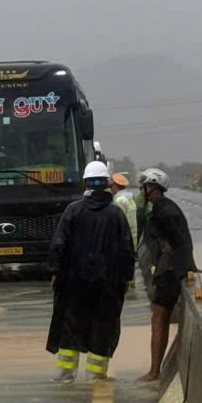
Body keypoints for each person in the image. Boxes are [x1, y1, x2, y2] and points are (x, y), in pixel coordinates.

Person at [47, 161, 135, 381]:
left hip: (74, 284)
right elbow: (127, 251)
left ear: (85, 183)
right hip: (107, 286)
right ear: (106, 183)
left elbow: (58, 245)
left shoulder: (73, 211)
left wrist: (55, 272)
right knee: (103, 327)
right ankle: (95, 378)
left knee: (70, 327)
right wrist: (126, 281)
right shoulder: (116, 215)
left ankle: (65, 376)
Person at [137, 168, 197, 384]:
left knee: (159, 319)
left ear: (152, 187)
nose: (140, 190)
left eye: (143, 186)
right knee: (158, 318)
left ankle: (154, 372)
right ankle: (155, 370)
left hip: (171, 272)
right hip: (169, 269)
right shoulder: (161, 209)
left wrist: (174, 268)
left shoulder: (166, 212)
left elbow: (178, 244)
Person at [111, 172, 139, 248]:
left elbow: (117, 223)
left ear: (115, 186)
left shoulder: (120, 201)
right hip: (132, 239)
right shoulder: (130, 198)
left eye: (111, 185)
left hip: (124, 241)